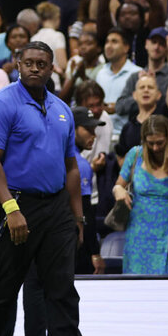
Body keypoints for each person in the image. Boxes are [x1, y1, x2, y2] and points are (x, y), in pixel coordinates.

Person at [0, 41, 84, 336]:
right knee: (0, 288)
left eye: (41, 64)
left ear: (51, 68)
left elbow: (71, 167)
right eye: (28, 62)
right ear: (17, 63)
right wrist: (10, 208)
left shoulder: (62, 109)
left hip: (55, 206)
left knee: (62, 289)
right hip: (11, 202)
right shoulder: (0, 104)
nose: (34, 68)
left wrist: (77, 217)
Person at [113, 115, 168, 274]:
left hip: (166, 232)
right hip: (138, 233)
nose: (155, 148)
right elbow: (118, 185)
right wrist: (119, 190)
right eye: (150, 143)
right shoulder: (135, 154)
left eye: (160, 142)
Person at [71, 107, 107, 275]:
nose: (94, 135)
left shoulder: (56, 156)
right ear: (72, 128)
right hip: (76, 244)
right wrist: (94, 252)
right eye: (88, 129)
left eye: (95, 130)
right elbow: (86, 212)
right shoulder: (80, 165)